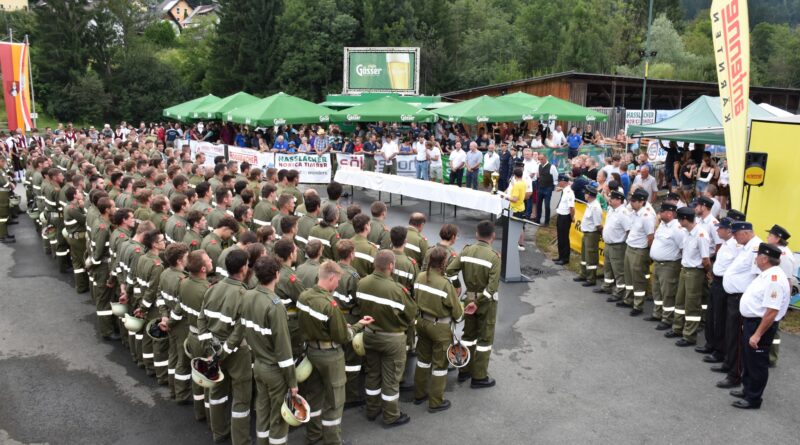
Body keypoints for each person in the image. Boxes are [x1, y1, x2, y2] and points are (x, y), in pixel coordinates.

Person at [298, 261, 373, 443]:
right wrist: (358, 325)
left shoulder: (303, 296)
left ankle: (313, 434)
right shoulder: (330, 305)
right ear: (331, 278)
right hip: (330, 356)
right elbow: (344, 336)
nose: (338, 284)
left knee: (314, 395)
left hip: (311, 352)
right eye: (337, 280)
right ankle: (332, 440)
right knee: (335, 400)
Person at [197, 249, 253, 444]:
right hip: (236, 353)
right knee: (241, 398)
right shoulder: (244, 294)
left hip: (213, 348)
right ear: (244, 268)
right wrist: (225, 351)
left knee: (217, 392)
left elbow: (201, 318)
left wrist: (210, 348)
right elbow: (240, 328)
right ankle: (241, 440)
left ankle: (218, 432)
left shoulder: (212, 288)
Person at [727, 242, 790, 410]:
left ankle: (754, 399)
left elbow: (772, 311)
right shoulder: (767, 274)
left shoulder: (774, 279)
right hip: (752, 322)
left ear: (764, 259)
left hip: (760, 325)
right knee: (749, 360)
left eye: (758, 256)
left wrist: (757, 334)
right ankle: (747, 390)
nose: (755, 259)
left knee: (757, 363)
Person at [358, 250, 417, 427]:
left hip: (369, 335)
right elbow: (411, 314)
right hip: (392, 339)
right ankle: (391, 415)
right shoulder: (397, 290)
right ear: (391, 266)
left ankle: (372, 409)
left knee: (373, 374)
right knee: (391, 378)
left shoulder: (362, 283)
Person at [445, 220, 501, 388]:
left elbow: (450, 270)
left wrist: (457, 285)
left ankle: (464, 370)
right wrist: (480, 302)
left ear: (477, 234)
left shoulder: (466, 250)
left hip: (468, 298)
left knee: (468, 336)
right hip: (486, 303)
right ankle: (479, 376)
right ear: (493, 236)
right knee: (484, 339)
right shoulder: (494, 257)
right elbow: (492, 287)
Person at [413, 246, 464, 412]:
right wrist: (462, 314)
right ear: (443, 263)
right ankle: (436, 401)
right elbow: (456, 312)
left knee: (422, 360)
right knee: (440, 365)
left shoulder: (420, 277)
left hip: (421, 323)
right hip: (439, 328)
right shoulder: (445, 284)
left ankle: (419, 394)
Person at [716, 222, 762, 389]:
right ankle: (729, 365)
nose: (733, 236)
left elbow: (758, 277)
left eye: (736, 233)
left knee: (736, 337)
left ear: (746, 232)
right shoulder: (745, 246)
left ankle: (735, 375)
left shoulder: (756, 248)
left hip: (741, 298)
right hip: (733, 297)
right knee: (731, 334)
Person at [668, 207, 710, 347]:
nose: (678, 222)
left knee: (692, 304)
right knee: (680, 301)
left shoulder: (701, 235)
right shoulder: (687, 232)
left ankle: (689, 335)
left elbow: (706, 259)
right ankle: (678, 328)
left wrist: (707, 272)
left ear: (685, 219)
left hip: (695, 272)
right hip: (685, 269)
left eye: (679, 219)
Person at [703, 218, 740, 364]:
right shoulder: (725, 244)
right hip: (717, 282)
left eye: (720, 228)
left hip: (725, 284)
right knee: (711, 314)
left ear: (729, 230)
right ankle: (711, 344)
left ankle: (720, 350)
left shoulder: (736, 246)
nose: (717, 231)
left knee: (720, 318)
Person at [647, 203, 684, 329]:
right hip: (658, 264)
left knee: (668, 293)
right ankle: (658, 313)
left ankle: (667, 318)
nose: (659, 214)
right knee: (657, 290)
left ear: (669, 213)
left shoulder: (677, 228)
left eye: (661, 212)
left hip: (669, 265)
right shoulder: (662, 225)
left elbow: (683, 247)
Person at [620, 189, 655, 316]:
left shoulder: (647, 216)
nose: (631, 203)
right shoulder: (635, 213)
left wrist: (649, 252)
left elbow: (650, 236)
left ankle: (638, 304)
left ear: (641, 202)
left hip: (640, 250)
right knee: (628, 276)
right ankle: (628, 299)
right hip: (630, 247)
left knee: (638, 279)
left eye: (634, 201)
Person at [765, 224, 795, 367]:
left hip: (778, 295)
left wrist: (785, 303)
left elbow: (787, 280)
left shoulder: (784, 256)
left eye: (770, 235)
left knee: (774, 327)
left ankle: (771, 357)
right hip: (771, 293)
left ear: (777, 239)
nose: (767, 237)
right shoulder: (777, 251)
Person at [599, 190, 629, 299]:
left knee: (618, 270)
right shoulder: (612, 209)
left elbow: (628, 230)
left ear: (619, 200)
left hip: (617, 246)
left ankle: (619, 292)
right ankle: (607, 285)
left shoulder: (623, 213)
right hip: (608, 244)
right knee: (607, 267)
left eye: (612, 198)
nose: (609, 200)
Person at [574, 184, 602, 287]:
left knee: (591, 257)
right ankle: (583, 274)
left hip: (592, 234)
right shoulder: (590, 204)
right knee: (584, 255)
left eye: (586, 193)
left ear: (589, 195)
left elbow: (598, 225)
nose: (584, 194)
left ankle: (591, 278)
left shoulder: (595, 207)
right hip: (586, 233)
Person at [500, 167, 528, 251]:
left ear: (515, 175)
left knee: (515, 228)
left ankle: (515, 244)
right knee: (520, 227)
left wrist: (506, 197)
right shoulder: (523, 183)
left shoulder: (517, 186)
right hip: (521, 207)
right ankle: (520, 244)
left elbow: (514, 199)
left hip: (515, 208)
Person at [553, 174, 575, 265]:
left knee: (564, 238)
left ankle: (565, 258)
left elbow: (571, 208)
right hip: (561, 215)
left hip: (565, 217)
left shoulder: (569, 192)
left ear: (563, 182)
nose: (558, 183)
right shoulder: (565, 190)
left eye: (559, 181)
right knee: (560, 237)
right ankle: (560, 256)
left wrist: (572, 217)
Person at [536, 153, 558, 226]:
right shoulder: (539, 166)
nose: (541, 161)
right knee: (538, 204)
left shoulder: (552, 167)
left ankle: (546, 222)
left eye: (542, 159)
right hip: (540, 187)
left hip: (548, 188)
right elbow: (539, 176)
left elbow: (556, 178)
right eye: (539, 159)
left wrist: (553, 187)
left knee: (547, 205)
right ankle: (537, 220)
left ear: (546, 158)